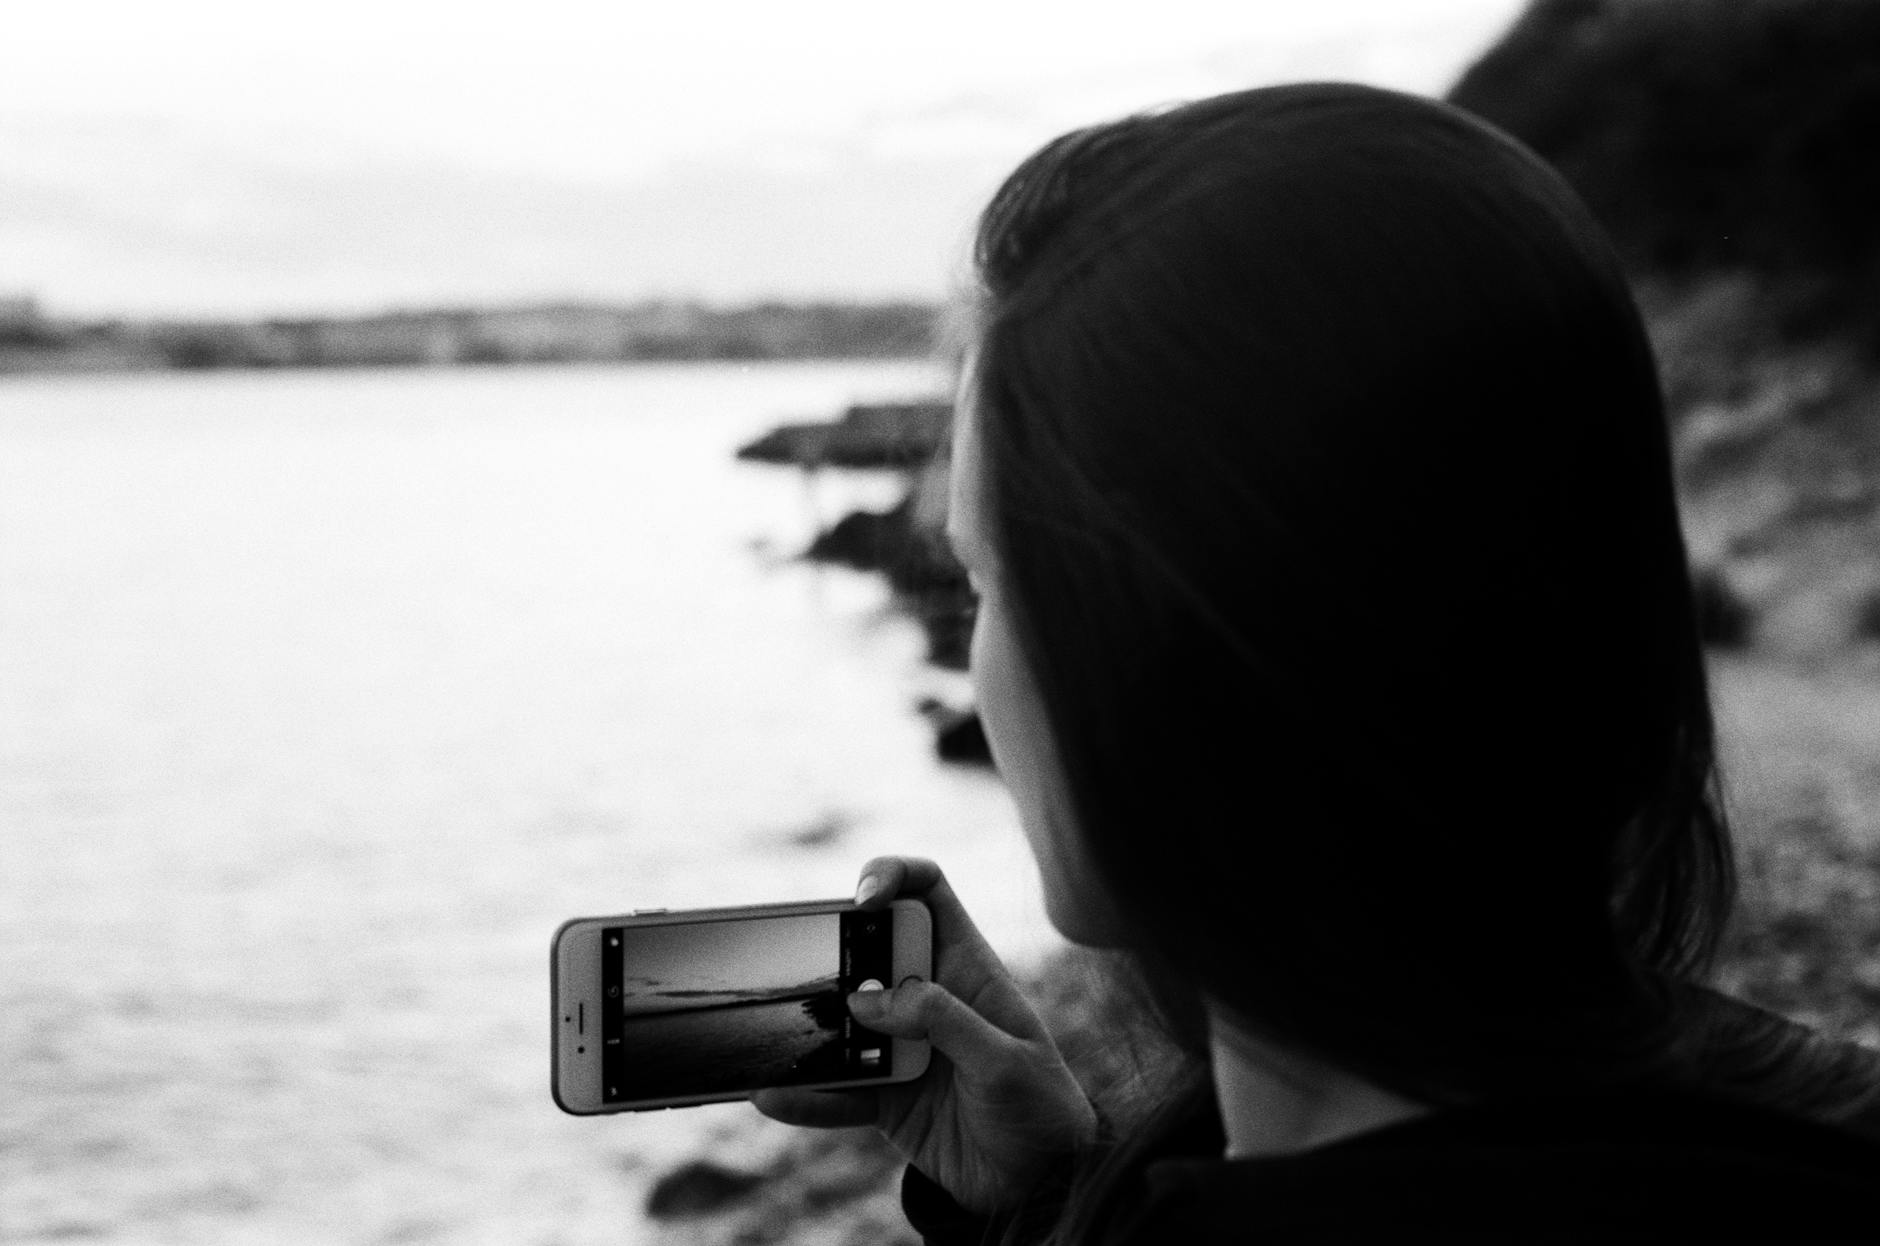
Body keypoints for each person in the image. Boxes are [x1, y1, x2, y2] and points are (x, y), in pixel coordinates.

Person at [753, 83, 1880, 1242]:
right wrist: (1048, 1193)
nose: (977, 661)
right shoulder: (1807, 1114)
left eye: (983, 582)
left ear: (1152, 658)